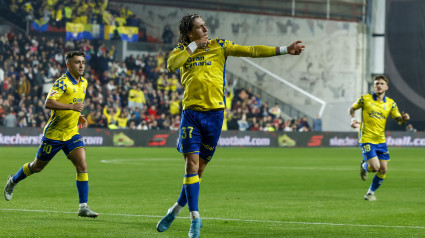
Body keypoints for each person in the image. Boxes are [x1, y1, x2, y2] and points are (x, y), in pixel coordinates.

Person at [156, 13, 305, 238]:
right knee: (191, 165)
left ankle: (175, 209)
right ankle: (195, 218)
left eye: (205, 26)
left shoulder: (220, 46)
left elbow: (252, 51)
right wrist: (194, 46)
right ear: (190, 32)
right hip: (192, 115)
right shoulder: (182, 51)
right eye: (199, 27)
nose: (206, 29)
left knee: (200, 170)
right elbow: (171, 66)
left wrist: (285, 49)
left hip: (215, 116)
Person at [3, 50, 98, 218]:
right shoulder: (61, 83)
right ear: (68, 65)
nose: (82, 65)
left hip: (71, 133)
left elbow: (74, 103)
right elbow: (49, 103)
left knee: (82, 165)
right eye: (77, 62)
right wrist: (72, 108)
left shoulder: (83, 83)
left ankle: (83, 206)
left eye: (83, 62)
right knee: (36, 167)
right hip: (54, 135)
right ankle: (13, 180)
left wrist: (79, 116)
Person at [349, 75, 410, 201]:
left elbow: (399, 121)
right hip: (366, 138)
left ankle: (370, 193)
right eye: (376, 83)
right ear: (373, 86)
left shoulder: (390, 103)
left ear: (386, 87)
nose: (379, 85)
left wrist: (403, 119)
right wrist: (352, 119)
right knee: (375, 167)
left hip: (381, 140)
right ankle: (364, 165)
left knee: (383, 169)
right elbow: (352, 108)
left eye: (381, 83)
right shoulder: (364, 99)